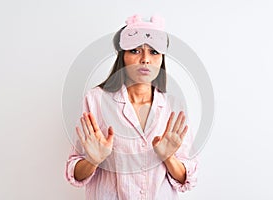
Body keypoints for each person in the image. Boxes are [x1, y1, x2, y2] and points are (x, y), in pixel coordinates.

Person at [65, 14, 198, 200]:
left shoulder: (174, 106)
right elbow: (75, 172)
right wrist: (93, 160)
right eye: (135, 51)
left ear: (162, 58)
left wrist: (168, 158)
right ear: (122, 56)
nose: (145, 59)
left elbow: (187, 178)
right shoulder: (95, 100)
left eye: (153, 52)